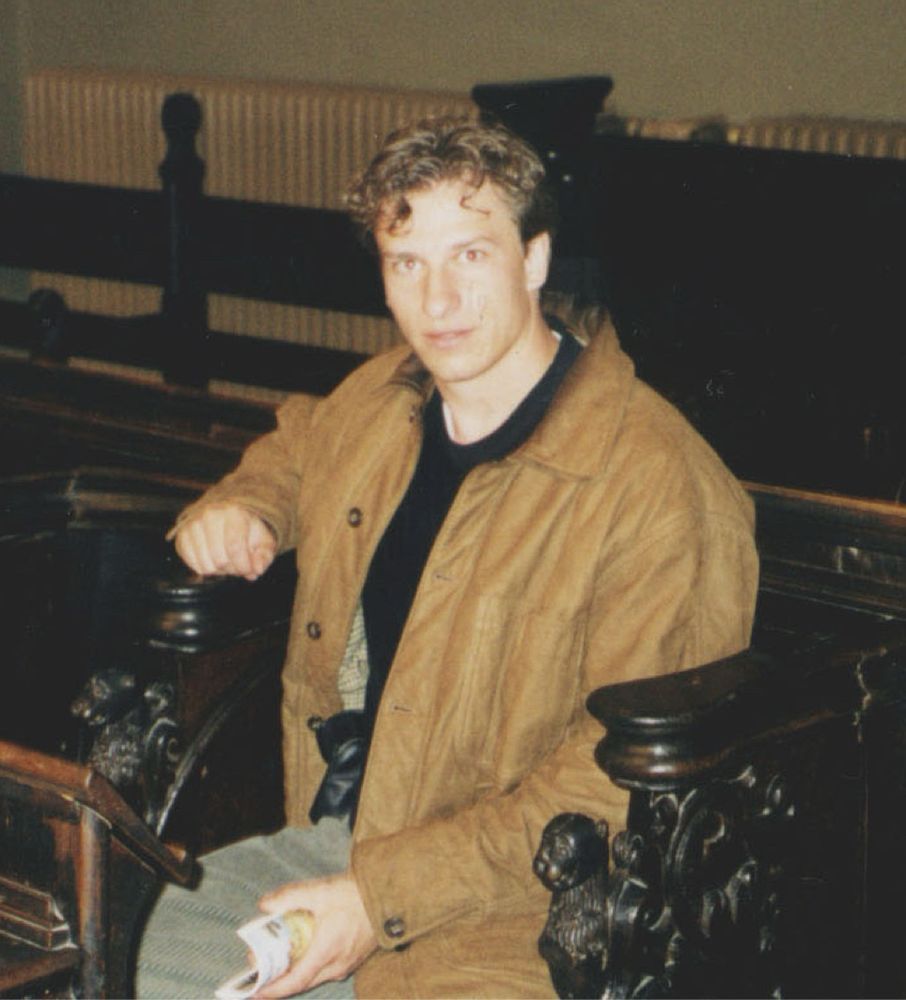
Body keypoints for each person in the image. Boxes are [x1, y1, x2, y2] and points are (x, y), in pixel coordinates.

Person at [137, 115, 758, 999]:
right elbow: (300, 442)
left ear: (536, 257)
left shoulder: (659, 487)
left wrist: (378, 897)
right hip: (343, 842)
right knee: (104, 944)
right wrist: (248, 505)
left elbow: (624, 790)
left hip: (541, 919)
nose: (437, 303)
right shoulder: (388, 399)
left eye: (470, 255)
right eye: (407, 263)